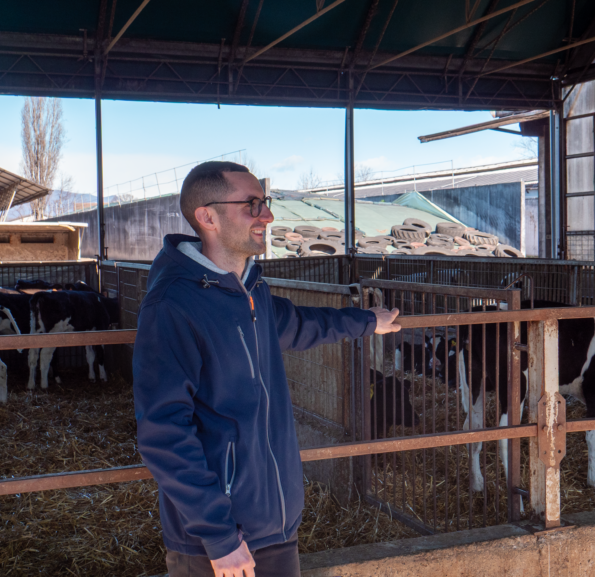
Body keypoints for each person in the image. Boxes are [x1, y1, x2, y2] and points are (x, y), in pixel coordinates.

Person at [132, 161, 401, 577]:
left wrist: (367, 321)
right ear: (207, 217)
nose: (268, 216)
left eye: (265, 202)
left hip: (275, 525)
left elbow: (299, 323)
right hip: (218, 543)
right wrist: (220, 537)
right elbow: (163, 432)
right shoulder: (173, 305)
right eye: (252, 205)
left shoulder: (249, 288)